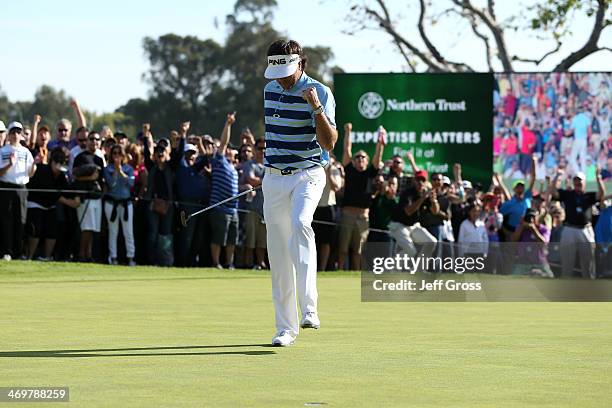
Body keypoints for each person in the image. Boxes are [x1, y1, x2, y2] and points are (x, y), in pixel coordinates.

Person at [261, 39, 337, 347]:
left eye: (287, 73)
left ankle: (310, 309)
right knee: (278, 254)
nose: (281, 79)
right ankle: (285, 328)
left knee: (301, 223)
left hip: (308, 174)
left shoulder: (321, 92)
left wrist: (315, 107)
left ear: (301, 65)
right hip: (273, 179)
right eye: (277, 73)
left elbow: (330, 143)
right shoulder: (270, 90)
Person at [338, 123, 383, 270]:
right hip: (348, 215)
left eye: (363, 157)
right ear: (353, 160)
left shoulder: (371, 173)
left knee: (358, 251)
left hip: (363, 217)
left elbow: (378, 157)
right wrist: (348, 132)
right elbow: (347, 149)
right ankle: (339, 272)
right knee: (343, 249)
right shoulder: (349, 169)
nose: (360, 159)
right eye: (357, 157)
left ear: (367, 160)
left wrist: (380, 142)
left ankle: (356, 274)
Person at [24, 147, 80, 260]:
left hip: (49, 206)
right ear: (52, 162)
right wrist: (69, 203)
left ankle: (47, 257)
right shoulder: (43, 170)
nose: (59, 170)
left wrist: (76, 197)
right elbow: (52, 193)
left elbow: (66, 189)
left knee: (52, 231)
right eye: (58, 165)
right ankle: (29, 256)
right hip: (35, 203)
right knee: (36, 230)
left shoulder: (61, 175)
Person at [549, 169, 605, 278]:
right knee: (567, 263)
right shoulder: (567, 194)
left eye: (580, 181)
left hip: (585, 230)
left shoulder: (589, 196)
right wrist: (557, 175)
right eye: (575, 180)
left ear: (584, 182)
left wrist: (598, 179)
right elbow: (553, 191)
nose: (578, 183)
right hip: (569, 229)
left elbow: (601, 194)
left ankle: (588, 288)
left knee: (588, 263)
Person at [0, 122, 36, 260]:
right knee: (6, 220)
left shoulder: (26, 152)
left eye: (18, 132)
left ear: (21, 135)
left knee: (21, 220)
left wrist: (34, 165)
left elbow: (31, 173)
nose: (15, 135)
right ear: (8, 134)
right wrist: (9, 164)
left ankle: (19, 252)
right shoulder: (2, 151)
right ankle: (7, 251)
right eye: (13, 132)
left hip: (21, 189)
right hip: (6, 188)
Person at [209, 113, 240, 269]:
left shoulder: (235, 169)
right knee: (219, 238)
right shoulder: (219, 161)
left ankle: (229, 263)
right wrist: (228, 125)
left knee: (232, 239)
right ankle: (216, 263)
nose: (228, 151)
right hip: (219, 207)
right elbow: (223, 143)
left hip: (233, 209)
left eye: (232, 151)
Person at [72, 131, 105, 262]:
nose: (94, 141)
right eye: (91, 139)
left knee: (92, 229)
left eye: (97, 139)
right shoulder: (80, 157)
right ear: (87, 141)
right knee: (86, 228)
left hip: (96, 197)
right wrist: (89, 177)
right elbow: (75, 175)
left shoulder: (99, 159)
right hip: (85, 197)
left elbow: (102, 179)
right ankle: (81, 255)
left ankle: (89, 255)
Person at [103, 144, 136, 266]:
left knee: (128, 232)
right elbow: (111, 184)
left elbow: (131, 184)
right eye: (114, 153)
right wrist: (115, 171)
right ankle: (113, 257)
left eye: (119, 153)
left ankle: (131, 257)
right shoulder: (108, 169)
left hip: (126, 203)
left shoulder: (129, 168)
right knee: (113, 231)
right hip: (112, 203)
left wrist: (121, 171)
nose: (117, 155)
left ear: (123, 155)